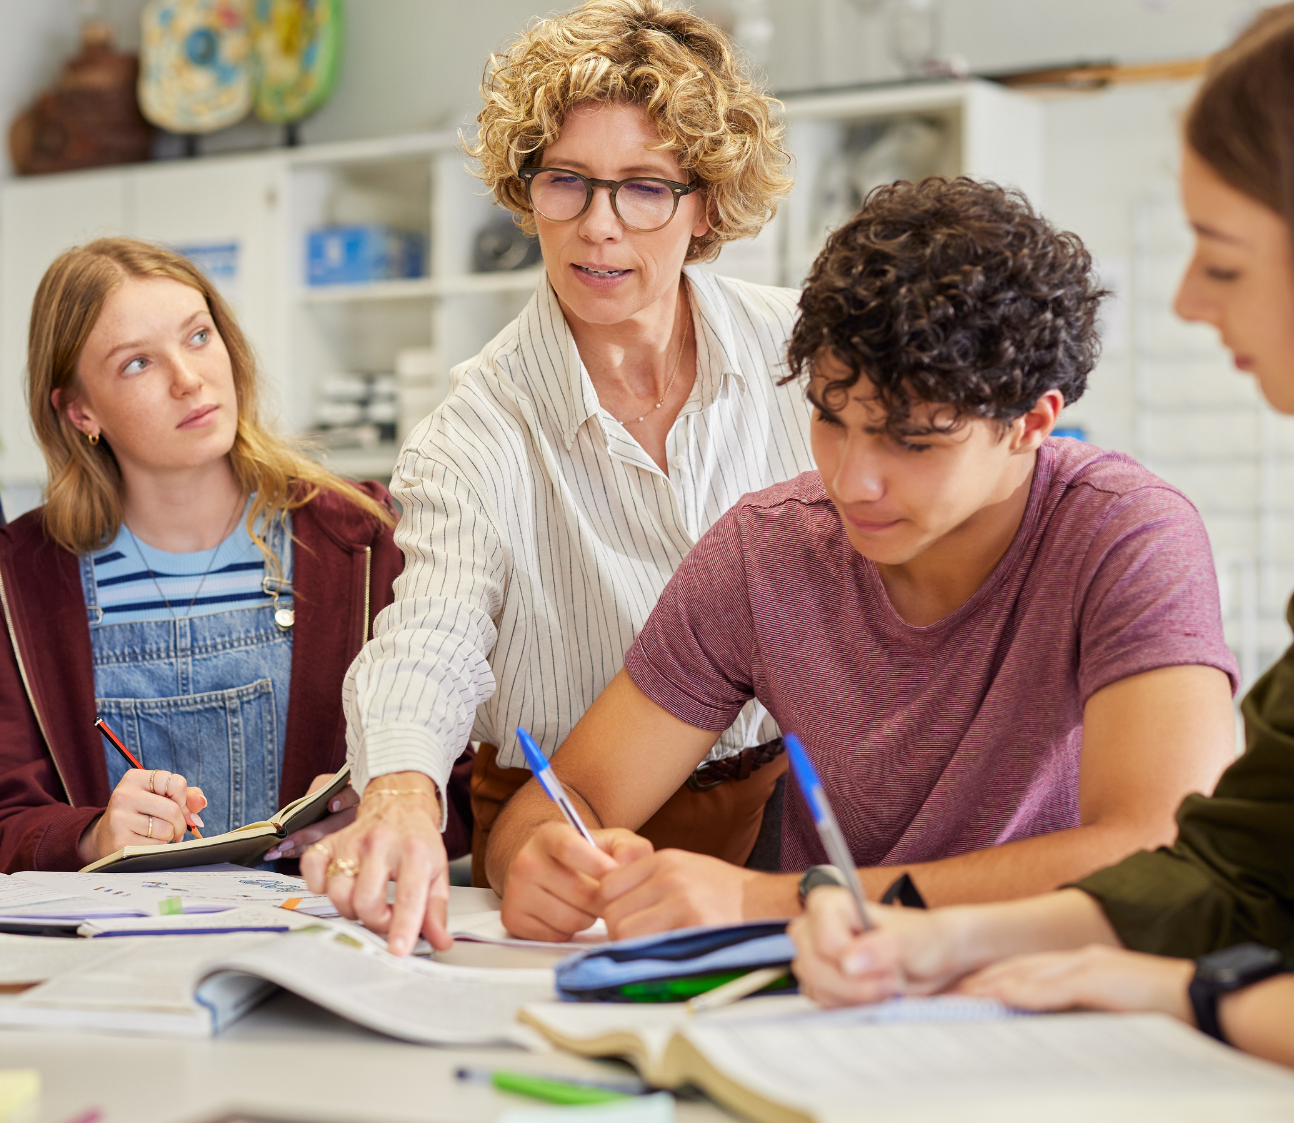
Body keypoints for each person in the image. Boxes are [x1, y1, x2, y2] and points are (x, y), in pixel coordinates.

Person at [789, 0, 1294, 1118]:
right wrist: (941, 945)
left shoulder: (1129, 527)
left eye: (1224, 260)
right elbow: (1250, 868)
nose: (1188, 301)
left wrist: (1189, 1000)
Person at [487, 178, 1241, 942]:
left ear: (1030, 422)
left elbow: (1158, 853)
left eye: (911, 441)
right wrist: (540, 857)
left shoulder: (1125, 537)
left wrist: (768, 903)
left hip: (1045, 992)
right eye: (830, 417)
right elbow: (571, 794)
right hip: (819, 1000)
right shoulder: (764, 553)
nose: (853, 480)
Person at [305, 0, 817, 955]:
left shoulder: (804, 356)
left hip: (788, 809)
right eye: (566, 181)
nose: (598, 225)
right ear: (524, 189)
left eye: (645, 186)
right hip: (565, 831)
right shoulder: (475, 428)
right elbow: (430, 636)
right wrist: (405, 791)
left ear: (703, 201)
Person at [0, 238, 469, 870]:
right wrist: (92, 836)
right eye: (137, 364)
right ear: (79, 409)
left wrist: (392, 807)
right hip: (120, 950)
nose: (189, 379)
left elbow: (469, 775)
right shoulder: (18, 576)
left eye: (198, 337)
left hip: (321, 939)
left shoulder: (360, 538)